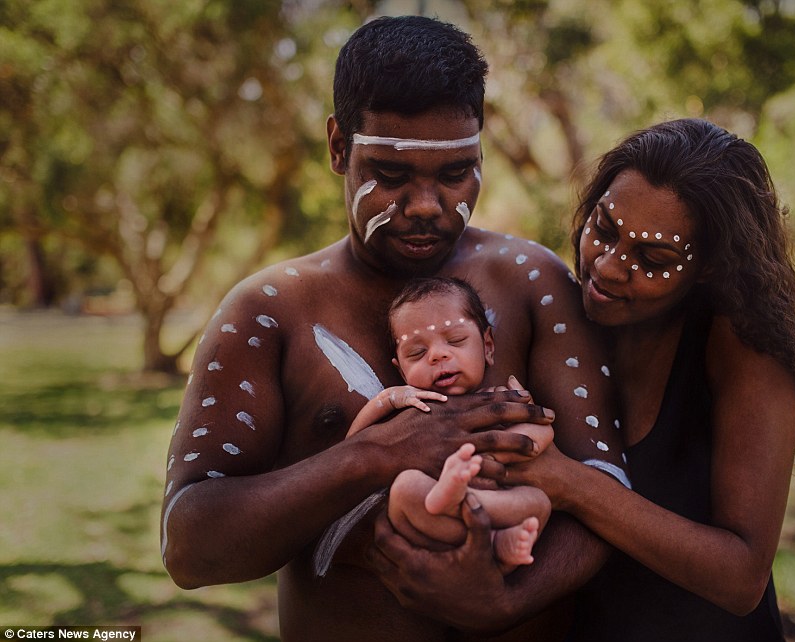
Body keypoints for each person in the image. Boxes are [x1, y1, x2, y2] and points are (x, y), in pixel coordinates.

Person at [160, 14, 629, 642]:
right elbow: (189, 546)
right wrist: (376, 454)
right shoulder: (269, 311)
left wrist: (504, 603)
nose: (426, 205)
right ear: (338, 148)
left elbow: (610, 494)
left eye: (456, 173)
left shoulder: (532, 283)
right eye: (390, 174)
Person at [370, 118, 795, 641]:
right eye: (604, 229)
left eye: (652, 258)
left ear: (711, 265)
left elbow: (741, 578)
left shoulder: (745, 351)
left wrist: (569, 483)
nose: (609, 267)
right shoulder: (564, 318)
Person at [346, 276, 553, 573]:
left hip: (490, 508)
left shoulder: (498, 400)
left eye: (455, 341)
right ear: (401, 371)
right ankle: (485, 534)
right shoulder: (414, 409)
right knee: (405, 488)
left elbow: (543, 430)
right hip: (430, 523)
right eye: (417, 353)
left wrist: (496, 451)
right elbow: (353, 444)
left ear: (488, 346)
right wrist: (388, 399)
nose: (438, 355)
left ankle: (489, 532)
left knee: (539, 502)